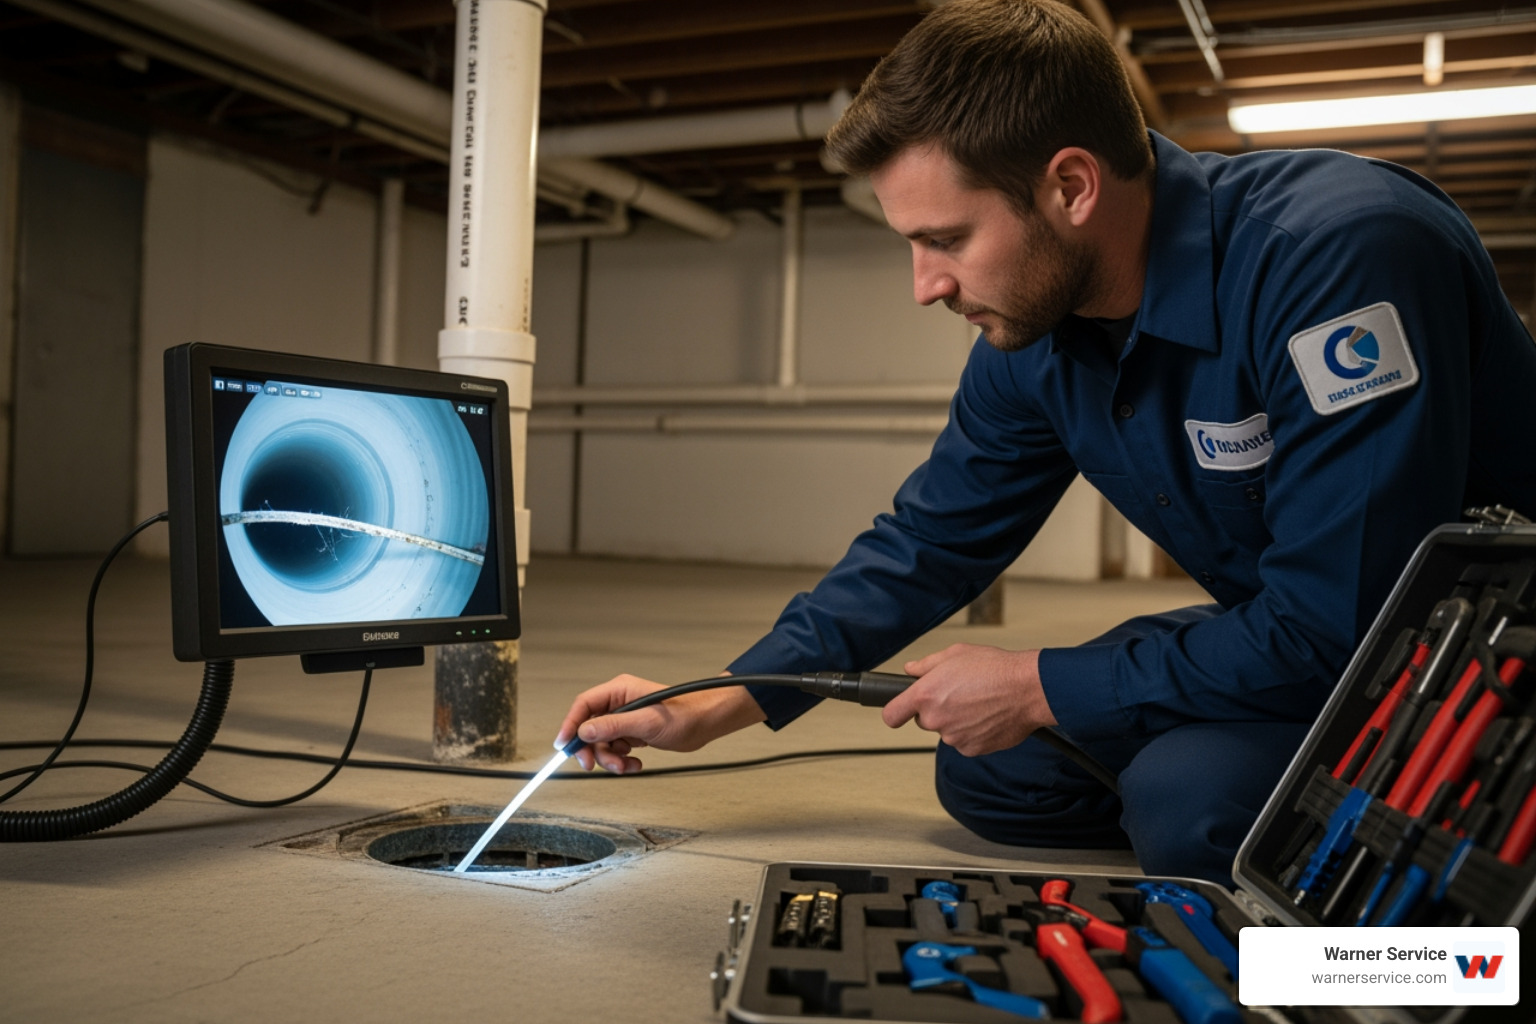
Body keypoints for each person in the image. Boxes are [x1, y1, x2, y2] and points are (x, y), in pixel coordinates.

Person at [556, 0, 1536, 885]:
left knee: (1191, 803)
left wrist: (1041, 682)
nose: (924, 284)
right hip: (1316, 633)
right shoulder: (1036, 336)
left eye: (945, 238)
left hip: (1473, 656)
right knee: (991, 764)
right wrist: (714, 702)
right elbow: (928, 543)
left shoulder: (1338, 258)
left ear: (1070, 186)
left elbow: (1344, 623)